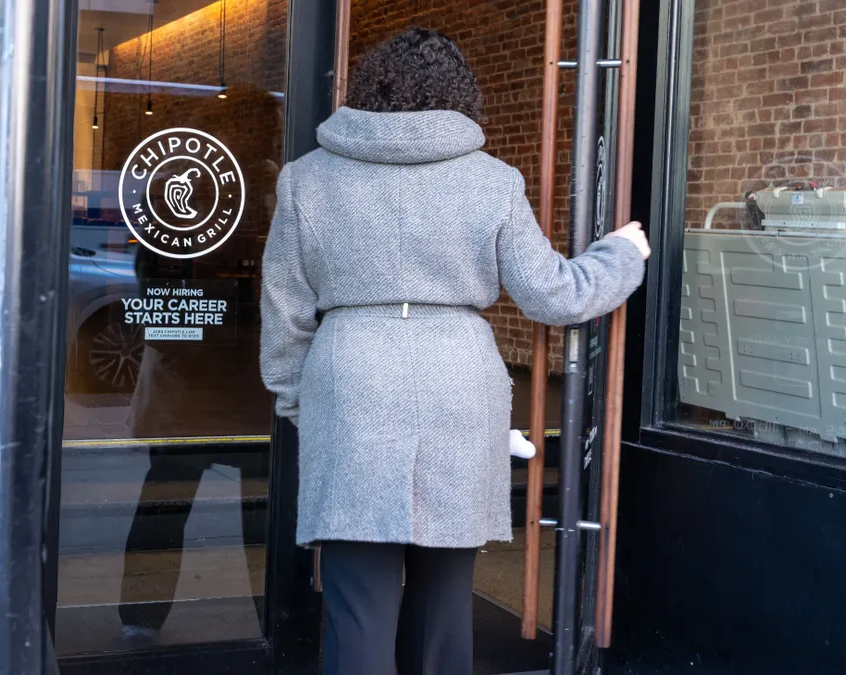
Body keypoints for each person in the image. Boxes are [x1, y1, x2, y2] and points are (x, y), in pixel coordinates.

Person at [258, 27, 650, 675]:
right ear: (460, 96)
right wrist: (620, 254)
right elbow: (552, 293)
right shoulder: (492, 181)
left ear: (369, 89)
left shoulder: (308, 180)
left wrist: (307, 410)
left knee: (357, 607)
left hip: (351, 381)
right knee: (443, 605)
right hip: (458, 385)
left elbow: (284, 312)